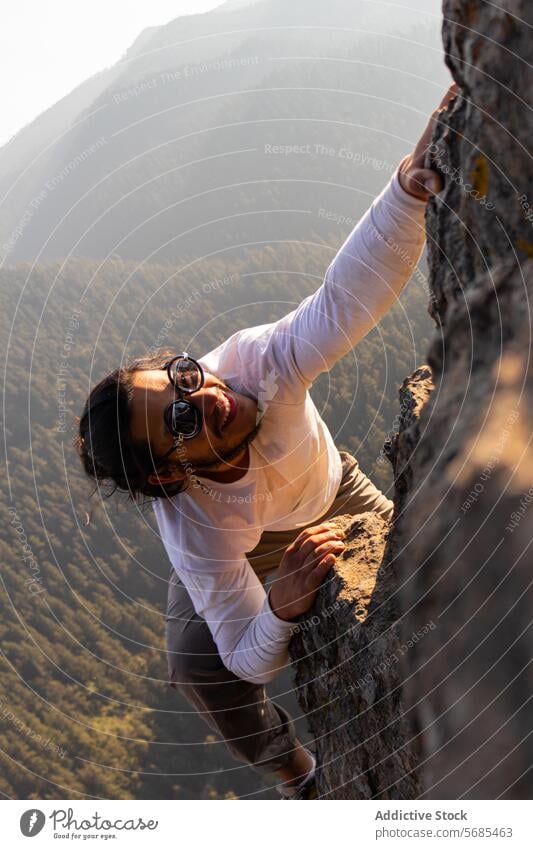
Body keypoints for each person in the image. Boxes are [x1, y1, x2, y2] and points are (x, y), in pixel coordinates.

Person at [77, 84, 459, 800]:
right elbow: (242, 657)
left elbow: (344, 297)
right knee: (196, 664)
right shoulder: (193, 522)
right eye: (182, 421)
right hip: (244, 538)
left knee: (438, 558)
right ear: (169, 477)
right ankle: (298, 774)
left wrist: (407, 190)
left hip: (329, 488)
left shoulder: (255, 364)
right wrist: (280, 604)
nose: (206, 395)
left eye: (184, 375)